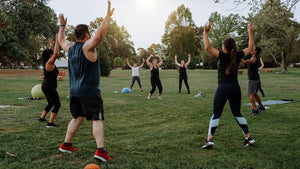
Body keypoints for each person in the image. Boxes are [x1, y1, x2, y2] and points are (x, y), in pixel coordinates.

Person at [57, 1, 114, 162]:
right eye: (89, 33)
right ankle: (100, 151)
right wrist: (108, 17)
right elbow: (100, 35)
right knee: (97, 118)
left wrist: (61, 25)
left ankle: (66, 144)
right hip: (89, 92)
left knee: (78, 117)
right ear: (87, 35)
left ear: (76, 35)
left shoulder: (70, 47)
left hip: (74, 92)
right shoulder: (87, 47)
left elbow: (61, 40)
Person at [201, 22, 256, 149]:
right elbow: (251, 47)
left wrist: (205, 32)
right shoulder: (238, 55)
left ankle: (209, 140)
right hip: (235, 88)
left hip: (223, 88)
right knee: (237, 113)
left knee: (216, 114)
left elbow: (208, 47)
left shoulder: (223, 55)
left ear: (225, 48)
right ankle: (248, 137)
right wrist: (250, 32)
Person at [39, 35, 61, 128]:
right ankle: (50, 123)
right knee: (57, 104)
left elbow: (49, 53)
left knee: (50, 103)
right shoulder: (50, 63)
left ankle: (42, 118)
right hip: (49, 87)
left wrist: (50, 46)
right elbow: (56, 54)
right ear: (50, 56)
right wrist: (57, 40)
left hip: (45, 85)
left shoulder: (46, 61)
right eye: (51, 53)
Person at [241, 47, 266, 115]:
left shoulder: (255, 58)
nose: (251, 50)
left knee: (250, 94)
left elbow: (251, 62)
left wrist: (240, 60)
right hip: (255, 78)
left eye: (253, 49)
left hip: (252, 79)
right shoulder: (255, 57)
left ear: (255, 51)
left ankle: (255, 109)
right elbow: (251, 61)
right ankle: (261, 106)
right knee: (254, 93)